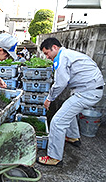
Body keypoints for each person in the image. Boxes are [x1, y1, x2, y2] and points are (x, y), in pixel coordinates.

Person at [36, 37, 104, 166]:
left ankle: (54, 157)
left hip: (87, 92)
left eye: (47, 53)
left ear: (54, 48)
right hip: (90, 90)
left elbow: (60, 83)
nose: (47, 57)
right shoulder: (69, 54)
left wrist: (49, 99)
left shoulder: (62, 58)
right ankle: (73, 137)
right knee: (67, 109)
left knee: (57, 122)